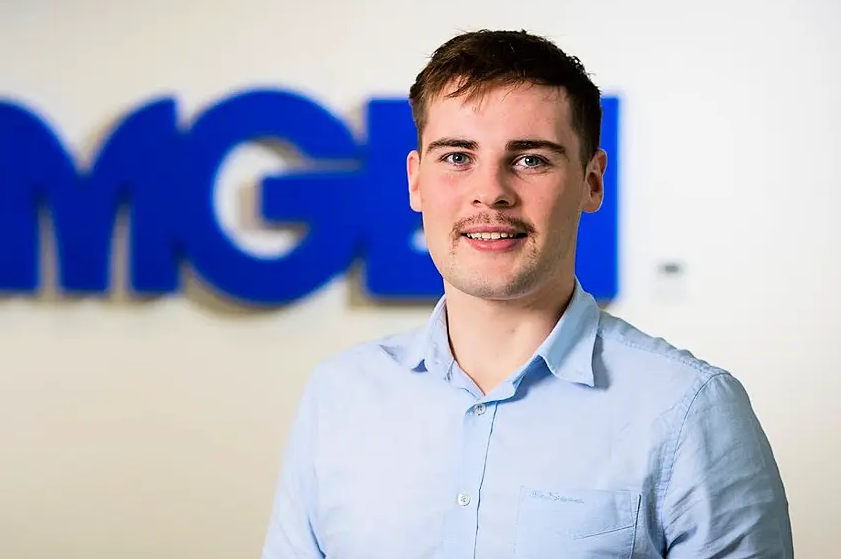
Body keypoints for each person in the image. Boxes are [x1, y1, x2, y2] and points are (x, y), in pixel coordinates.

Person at [259, 29, 793, 559]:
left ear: (592, 181)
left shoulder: (687, 410)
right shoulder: (340, 397)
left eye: (531, 159)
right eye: (457, 157)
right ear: (415, 181)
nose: (490, 191)